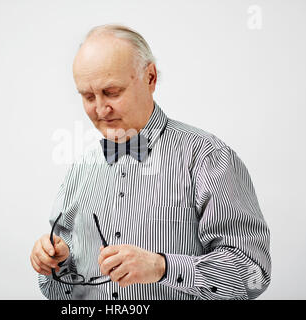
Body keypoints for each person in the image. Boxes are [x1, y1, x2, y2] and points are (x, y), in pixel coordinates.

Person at [30, 24, 271, 300]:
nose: (99, 109)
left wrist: (162, 267)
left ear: (150, 77)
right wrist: (54, 265)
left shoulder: (207, 157)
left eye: (111, 92)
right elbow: (61, 293)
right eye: (87, 96)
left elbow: (253, 274)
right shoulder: (80, 168)